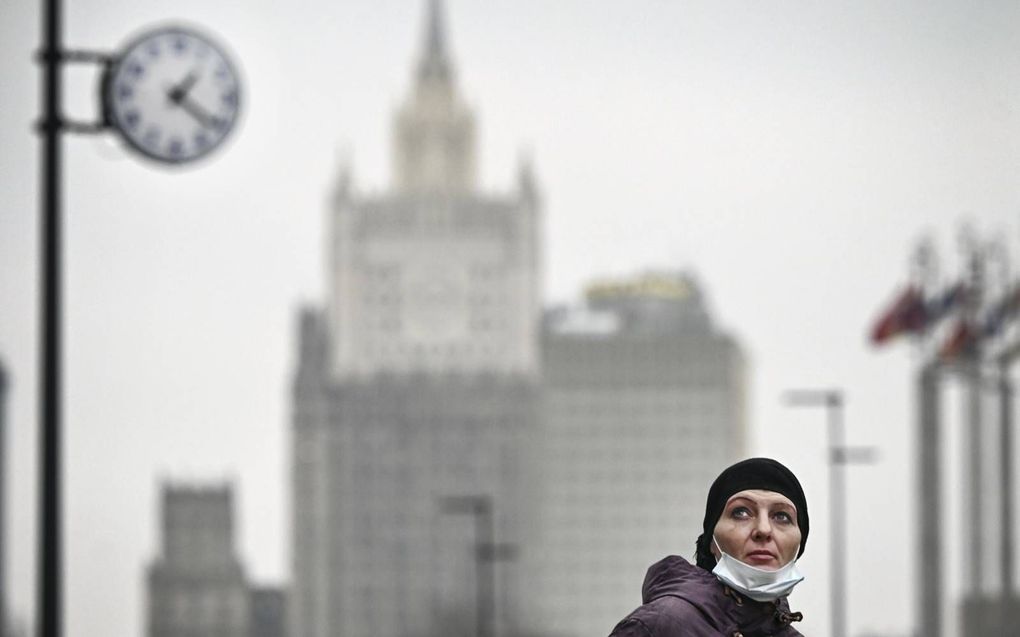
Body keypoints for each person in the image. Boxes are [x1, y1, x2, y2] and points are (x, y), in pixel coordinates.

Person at [609, 457, 808, 637]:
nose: (763, 529)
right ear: (712, 542)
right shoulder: (657, 627)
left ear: (799, 544)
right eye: (741, 512)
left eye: (782, 516)